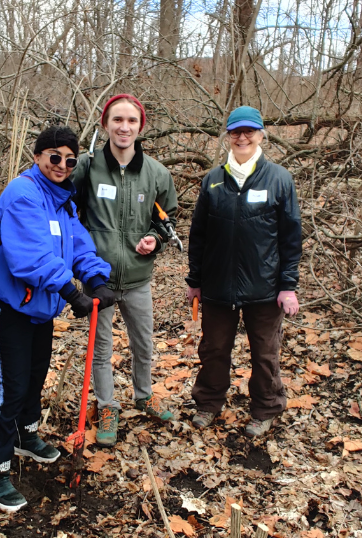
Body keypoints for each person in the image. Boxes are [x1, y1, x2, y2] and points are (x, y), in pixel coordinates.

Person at [0, 125, 112, 511]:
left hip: (40, 312)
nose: (62, 165)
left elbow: (77, 243)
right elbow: (31, 257)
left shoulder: (63, 199)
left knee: (35, 378)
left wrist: (95, 277)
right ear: (38, 156)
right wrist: (72, 293)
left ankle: (26, 436)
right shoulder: (23, 193)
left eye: (70, 160)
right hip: (12, 312)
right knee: (11, 389)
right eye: (54, 157)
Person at [185, 106, 302, 437]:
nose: (242, 137)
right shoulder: (212, 181)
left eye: (249, 131)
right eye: (236, 132)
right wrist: (195, 281)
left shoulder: (279, 179)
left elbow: (291, 237)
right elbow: (199, 235)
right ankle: (208, 403)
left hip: (264, 288)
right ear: (228, 137)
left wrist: (287, 286)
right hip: (218, 287)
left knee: (265, 354)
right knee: (214, 349)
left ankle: (265, 409)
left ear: (261, 134)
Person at [72, 94, 178, 448]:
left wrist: (154, 239)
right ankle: (107, 406)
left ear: (140, 127)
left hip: (137, 278)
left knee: (143, 344)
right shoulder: (86, 167)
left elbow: (167, 220)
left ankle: (143, 395)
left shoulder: (156, 173)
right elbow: (67, 213)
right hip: (97, 279)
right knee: (100, 349)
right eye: (117, 120)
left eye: (131, 121)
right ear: (105, 124)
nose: (124, 127)